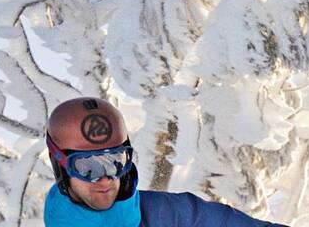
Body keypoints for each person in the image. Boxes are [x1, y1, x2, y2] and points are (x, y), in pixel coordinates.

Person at [40, 97, 286, 227]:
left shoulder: (169, 214)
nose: (105, 178)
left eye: (115, 161)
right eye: (87, 167)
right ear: (59, 164)